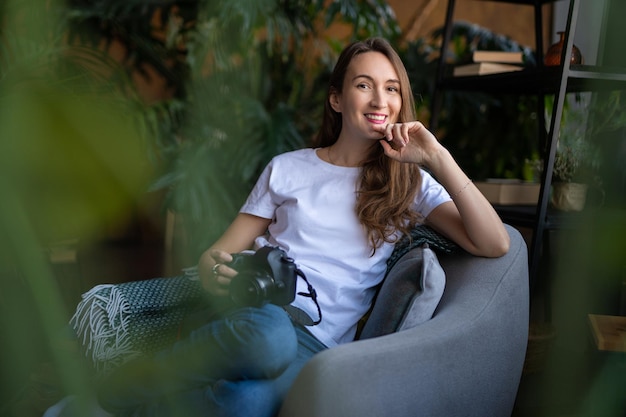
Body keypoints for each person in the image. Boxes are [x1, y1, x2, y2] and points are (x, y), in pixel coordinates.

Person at [95, 37, 509, 417]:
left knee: (247, 402)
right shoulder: (288, 168)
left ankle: (140, 395)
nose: (379, 99)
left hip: (319, 348)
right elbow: (216, 255)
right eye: (364, 85)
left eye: (392, 88)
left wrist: (436, 157)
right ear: (336, 98)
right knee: (270, 336)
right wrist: (216, 272)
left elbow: (495, 243)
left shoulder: (409, 184)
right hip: (255, 314)